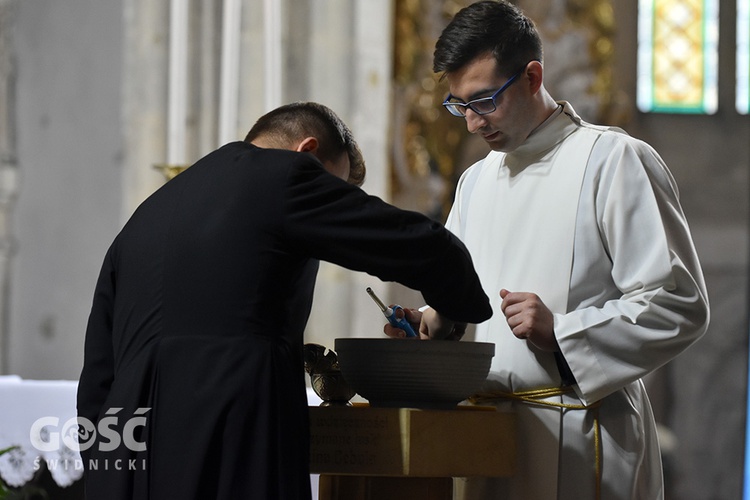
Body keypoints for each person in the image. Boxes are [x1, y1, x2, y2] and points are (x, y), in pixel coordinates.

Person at [77, 101, 492, 500]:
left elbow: (97, 376)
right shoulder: (283, 175)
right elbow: (424, 248)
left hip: (127, 456)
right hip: (231, 431)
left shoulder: (144, 216)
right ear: (306, 151)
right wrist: (448, 313)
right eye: (332, 187)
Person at [385, 2, 709, 499]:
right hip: (489, 436)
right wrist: (437, 322)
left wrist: (562, 332)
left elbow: (678, 305)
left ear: (533, 77)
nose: (472, 123)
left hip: (583, 437)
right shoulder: (475, 183)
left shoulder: (613, 160)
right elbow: (472, 297)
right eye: (459, 106)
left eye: (484, 101)